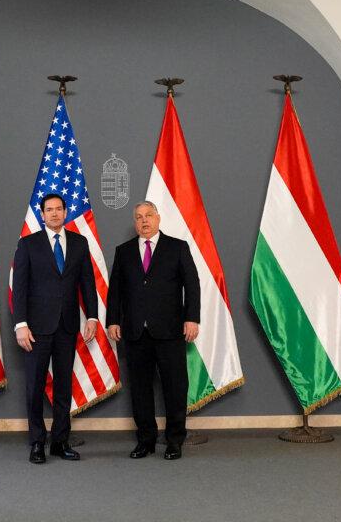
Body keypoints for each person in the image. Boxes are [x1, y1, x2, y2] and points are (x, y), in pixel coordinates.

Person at [106, 200, 200, 460]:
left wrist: (192, 318)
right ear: (134, 222)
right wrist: (113, 320)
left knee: (174, 387)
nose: (144, 220)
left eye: (148, 215)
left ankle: (174, 441)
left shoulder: (177, 248)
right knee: (140, 389)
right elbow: (116, 290)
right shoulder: (123, 251)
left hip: (170, 331)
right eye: (138, 217)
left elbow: (192, 285)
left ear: (158, 218)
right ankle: (145, 440)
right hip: (135, 332)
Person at [12, 193, 98, 464]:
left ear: (65, 212)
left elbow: (88, 283)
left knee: (63, 386)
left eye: (58, 209)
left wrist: (93, 317)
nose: (54, 214)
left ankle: (60, 441)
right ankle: (37, 442)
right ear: (42, 214)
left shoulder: (80, 243)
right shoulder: (28, 244)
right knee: (35, 386)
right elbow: (21, 289)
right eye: (48, 210)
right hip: (36, 328)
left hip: (67, 326)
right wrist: (21, 324)